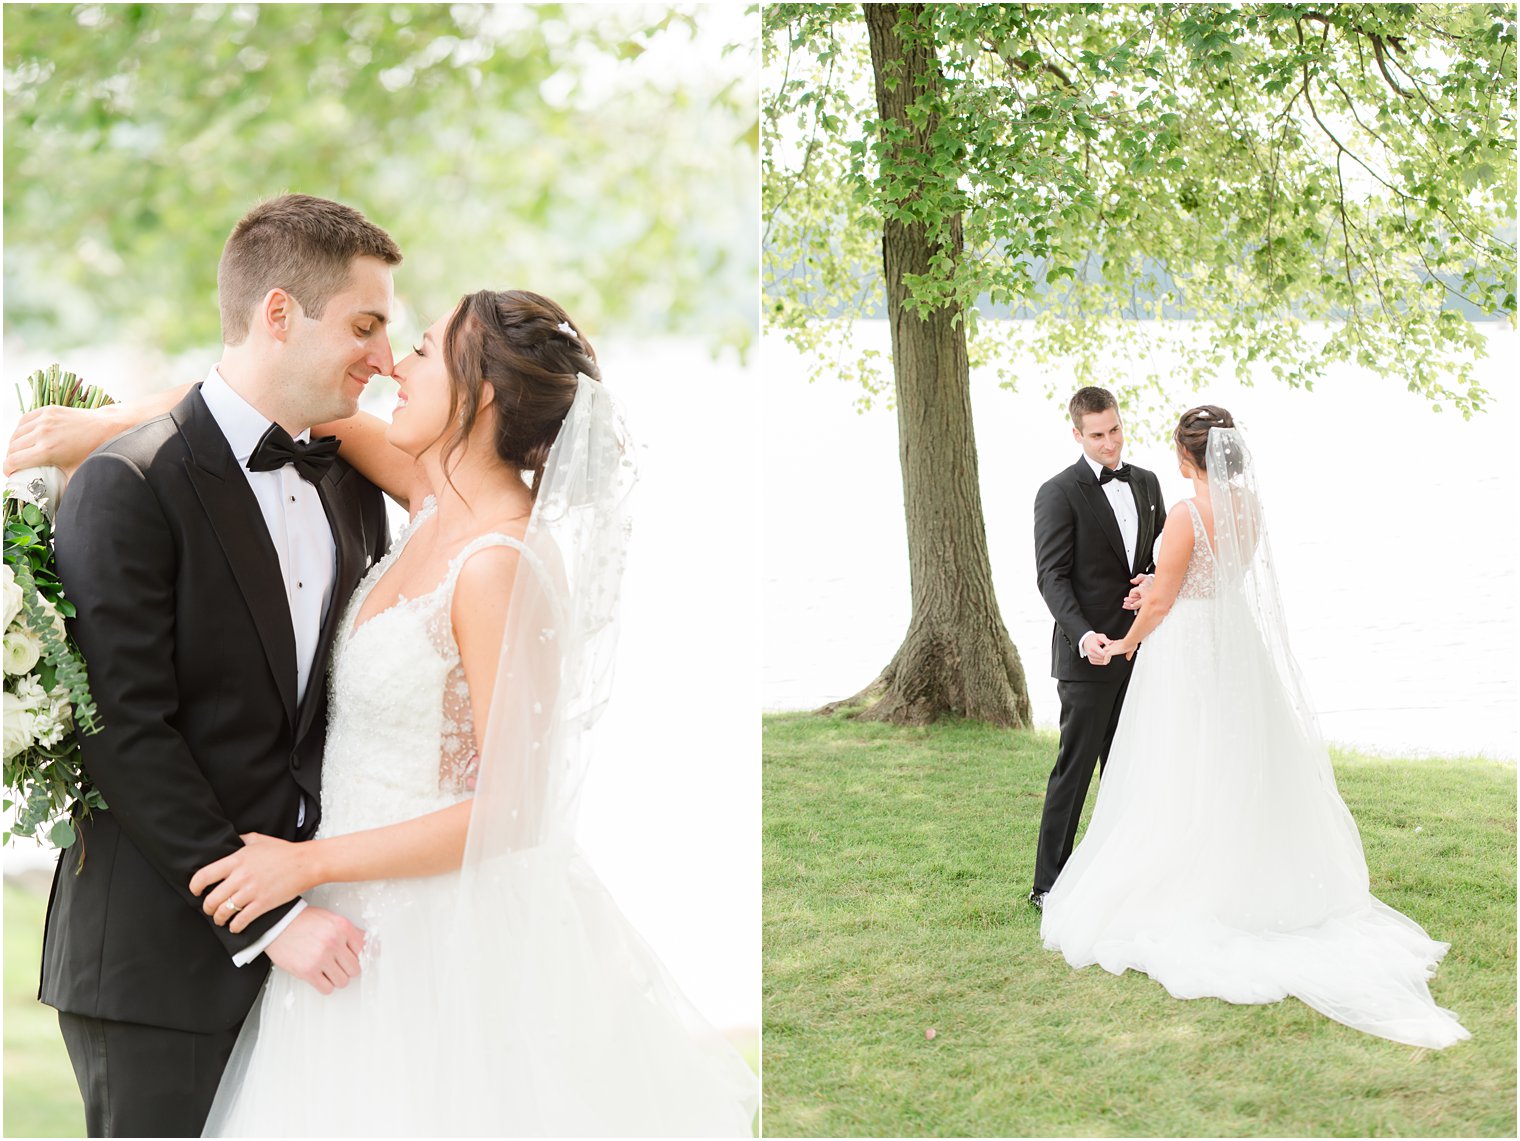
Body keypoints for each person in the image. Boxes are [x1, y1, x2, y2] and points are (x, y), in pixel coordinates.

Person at [12, 285, 759, 1134]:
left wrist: (301, 866)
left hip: (430, 930)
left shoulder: (497, 561)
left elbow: (515, 809)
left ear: (477, 394)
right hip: (342, 920)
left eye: (422, 348)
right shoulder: (431, 493)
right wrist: (103, 423)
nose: (390, 363)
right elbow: (251, 404)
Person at [33, 193, 400, 1137]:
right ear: (279, 314)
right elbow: (120, 726)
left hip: (323, 957)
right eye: (364, 325)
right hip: (160, 964)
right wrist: (271, 920)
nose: (385, 358)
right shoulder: (129, 481)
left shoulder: (353, 490)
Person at [1039, 405, 1469, 1049]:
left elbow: (1164, 597)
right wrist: (1156, 590)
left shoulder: (1184, 511)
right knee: (1232, 757)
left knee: (1180, 762)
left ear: (1189, 458)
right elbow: (1208, 577)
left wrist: (1127, 639)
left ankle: (1187, 881)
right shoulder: (1251, 507)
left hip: (1185, 650)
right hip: (1230, 643)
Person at [1029, 387, 1166, 907]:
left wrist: (1149, 583)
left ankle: (1120, 874)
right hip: (1088, 656)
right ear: (1077, 434)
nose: (1109, 444)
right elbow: (1052, 577)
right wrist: (1085, 636)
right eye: (1097, 435)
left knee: (1129, 765)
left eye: (1115, 430)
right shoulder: (1058, 492)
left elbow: (1157, 560)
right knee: (1075, 768)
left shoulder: (1148, 483)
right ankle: (1048, 884)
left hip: (1142, 651)